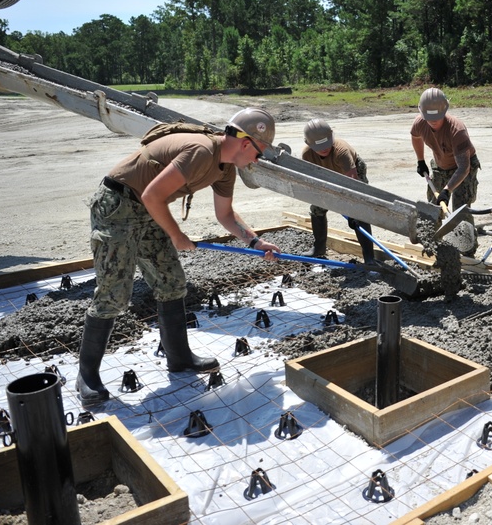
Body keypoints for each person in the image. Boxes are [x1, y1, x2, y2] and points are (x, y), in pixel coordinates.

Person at [77, 108, 281, 406]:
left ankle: (179, 357)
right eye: (259, 153)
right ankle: (87, 375)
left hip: (147, 208)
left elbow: (224, 215)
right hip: (118, 205)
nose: (257, 160)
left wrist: (255, 241)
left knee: (171, 282)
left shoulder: (225, 169)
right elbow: (151, 195)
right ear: (247, 143)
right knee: (114, 294)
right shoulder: (201, 151)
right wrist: (176, 235)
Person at [411, 87, 481, 254]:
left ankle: (468, 251)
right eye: (429, 118)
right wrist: (420, 160)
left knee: (460, 211)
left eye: (437, 117)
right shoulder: (420, 123)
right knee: (432, 208)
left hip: (463, 168)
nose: (433, 121)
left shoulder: (457, 131)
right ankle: (432, 246)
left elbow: (464, 167)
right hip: (440, 166)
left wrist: (447, 190)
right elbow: (415, 137)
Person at [300, 118, 376, 264]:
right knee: (317, 208)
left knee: (359, 210)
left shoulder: (341, 152)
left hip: (351, 173)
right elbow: (311, 182)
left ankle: (369, 257)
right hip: (325, 174)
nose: (324, 149)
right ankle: (319, 249)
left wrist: (352, 213)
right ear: (309, 144)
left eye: (326, 144)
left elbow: (353, 185)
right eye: (319, 146)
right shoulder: (307, 155)